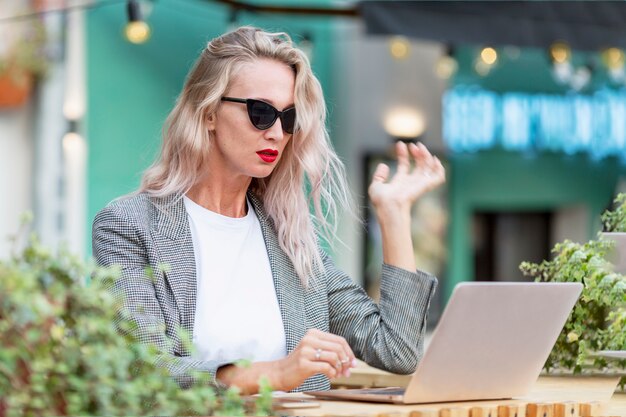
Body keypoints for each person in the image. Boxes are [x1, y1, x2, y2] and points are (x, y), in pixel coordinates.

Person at [92, 26, 445, 394]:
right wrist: (275, 374)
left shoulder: (288, 237)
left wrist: (394, 213)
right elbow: (142, 367)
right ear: (209, 111)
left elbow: (397, 351)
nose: (277, 132)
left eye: (288, 117)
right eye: (261, 113)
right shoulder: (129, 225)